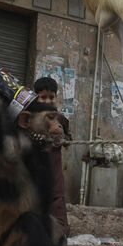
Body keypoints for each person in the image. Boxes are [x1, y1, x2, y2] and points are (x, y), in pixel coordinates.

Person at [33, 76, 71, 237]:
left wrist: (63, 139)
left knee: (57, 205)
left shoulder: (60, 118)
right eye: (43, 97)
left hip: (54, 173)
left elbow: (69, 139)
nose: (48, 101)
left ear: (56, 97)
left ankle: (60, 236)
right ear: (36, 97)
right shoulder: (29, 119)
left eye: (51, 97)